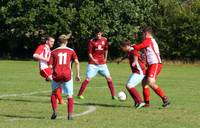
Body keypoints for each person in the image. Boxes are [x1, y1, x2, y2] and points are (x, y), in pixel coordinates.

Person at [133, 26, 170, 107]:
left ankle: (165, 99)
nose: (142, 35)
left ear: (146, 33)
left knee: (150, 82)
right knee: (144, 82)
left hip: (155, 64)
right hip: (151, 65)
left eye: (142, 33)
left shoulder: (149, 40)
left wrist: (133, 46)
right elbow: (144, 51)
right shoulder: (148, 41)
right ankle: (147, 103)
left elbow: (139, 47)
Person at [77, 28, 117, 100]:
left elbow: (106, 50)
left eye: (99, 34)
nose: (98, 35)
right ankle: (79, 94)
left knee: (109, 78)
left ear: (101, 33)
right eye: (97, 34)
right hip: (93, 64)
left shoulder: (105, 40)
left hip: (102, 63)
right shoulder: (91, 41)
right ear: (95, 34)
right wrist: (93, 60)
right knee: (88, 78)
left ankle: (113, 96)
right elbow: (89, 53)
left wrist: (105, 58)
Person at [49, 34, 81, 120]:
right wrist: (77, 75)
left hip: (56, 75)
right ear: (66, 41)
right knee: (69, 95)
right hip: (67, 75)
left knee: (54, 93)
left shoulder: (53, 52)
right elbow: (77, 62)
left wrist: (49, 75)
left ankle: (55, 111)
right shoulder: (71, 51)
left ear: (58, 42)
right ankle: (70, 115)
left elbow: (50, 66)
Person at [33, 37, 64, 105]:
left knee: (60, 82)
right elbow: (35, 55)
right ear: (47, 41)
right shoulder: (42, 47)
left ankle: (56, 99)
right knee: (56, 82)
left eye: (53, 41)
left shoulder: (50, 50)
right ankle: (60, 100)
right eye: (51, 41)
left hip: (49, 69)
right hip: (44, 69)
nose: (53, 43)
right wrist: (45, 59)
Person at [120, 40, 146, 109]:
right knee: (127, 85)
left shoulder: (133, 50)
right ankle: (137, 102)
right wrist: (121, 60)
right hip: (135, 71)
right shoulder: (129, 51)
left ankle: (140, 102)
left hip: (139, 71)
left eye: (122, 47)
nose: (122, 49)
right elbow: (127, 55)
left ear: (125, 46)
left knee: (129, 85)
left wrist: (135, 61)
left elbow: (136, 55)